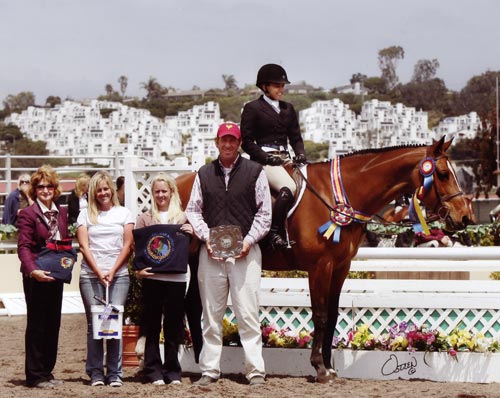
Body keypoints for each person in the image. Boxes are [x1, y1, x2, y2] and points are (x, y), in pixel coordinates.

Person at [186, 122, 271, 386]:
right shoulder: (203, 173)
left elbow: (264, 213)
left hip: (244, 253)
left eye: (232, 140)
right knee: (211, 315)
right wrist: (206, 237)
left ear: (239, 142)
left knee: (247, 314)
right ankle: (210, 369)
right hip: (211, 254)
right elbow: (193, 210)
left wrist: (247, 241)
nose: (228, 144)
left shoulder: (255, 172)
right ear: (217, 142)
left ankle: (255, 370)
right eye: (224, 140)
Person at [134, 173, 193, 385]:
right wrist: (138, 271)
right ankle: (152, 370)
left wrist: (191, 232)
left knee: (173, 327)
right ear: (152, 194)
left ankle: (173, 371)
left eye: (164, 191)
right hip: (153, 279)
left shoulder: (183, 218)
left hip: (177, 279)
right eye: (157, 191)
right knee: (151, 326)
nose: (161, 195)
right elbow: (137, 249)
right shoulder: (144, 219)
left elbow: (191, 249)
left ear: (171, 193)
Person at [77, 171, 134, 387]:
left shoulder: (124, 213)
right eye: (98, 190)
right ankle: (95, 373)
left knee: (113, 323)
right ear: (93, 193)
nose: (103, 193)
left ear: (112, 189)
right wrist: (99, 272)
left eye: (105, 189)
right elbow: (84, 246)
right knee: (95, 324)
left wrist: (112, 270)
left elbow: (127, 245)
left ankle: (114, 373)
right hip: (90, 276)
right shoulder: (85, 215)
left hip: (118, 276)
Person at [240, 63, 307, 249]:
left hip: (285, 158)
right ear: (264, 87)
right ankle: (274, 233)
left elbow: (296, 138)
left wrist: (300, 154)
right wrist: (266, 158)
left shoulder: (288, 109)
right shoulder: (253, 108)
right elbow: (246, 142)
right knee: (288, 187)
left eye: (282, 85)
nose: (281, 89)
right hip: (265, 161)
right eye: (277, 85)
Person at [17, 165, 70, 388]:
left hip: (56, 274)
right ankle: (34, 374)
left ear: (55, 188)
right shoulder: (28, 214)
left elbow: (64, 241)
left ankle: (47, 371)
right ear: (34, 189)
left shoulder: (61, 212)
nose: (45, 190)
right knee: (37, 325)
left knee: (53, 323)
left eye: (49, 186)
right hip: (36, 275)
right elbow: (23, 246)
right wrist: (33, 270)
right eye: (41, 186)